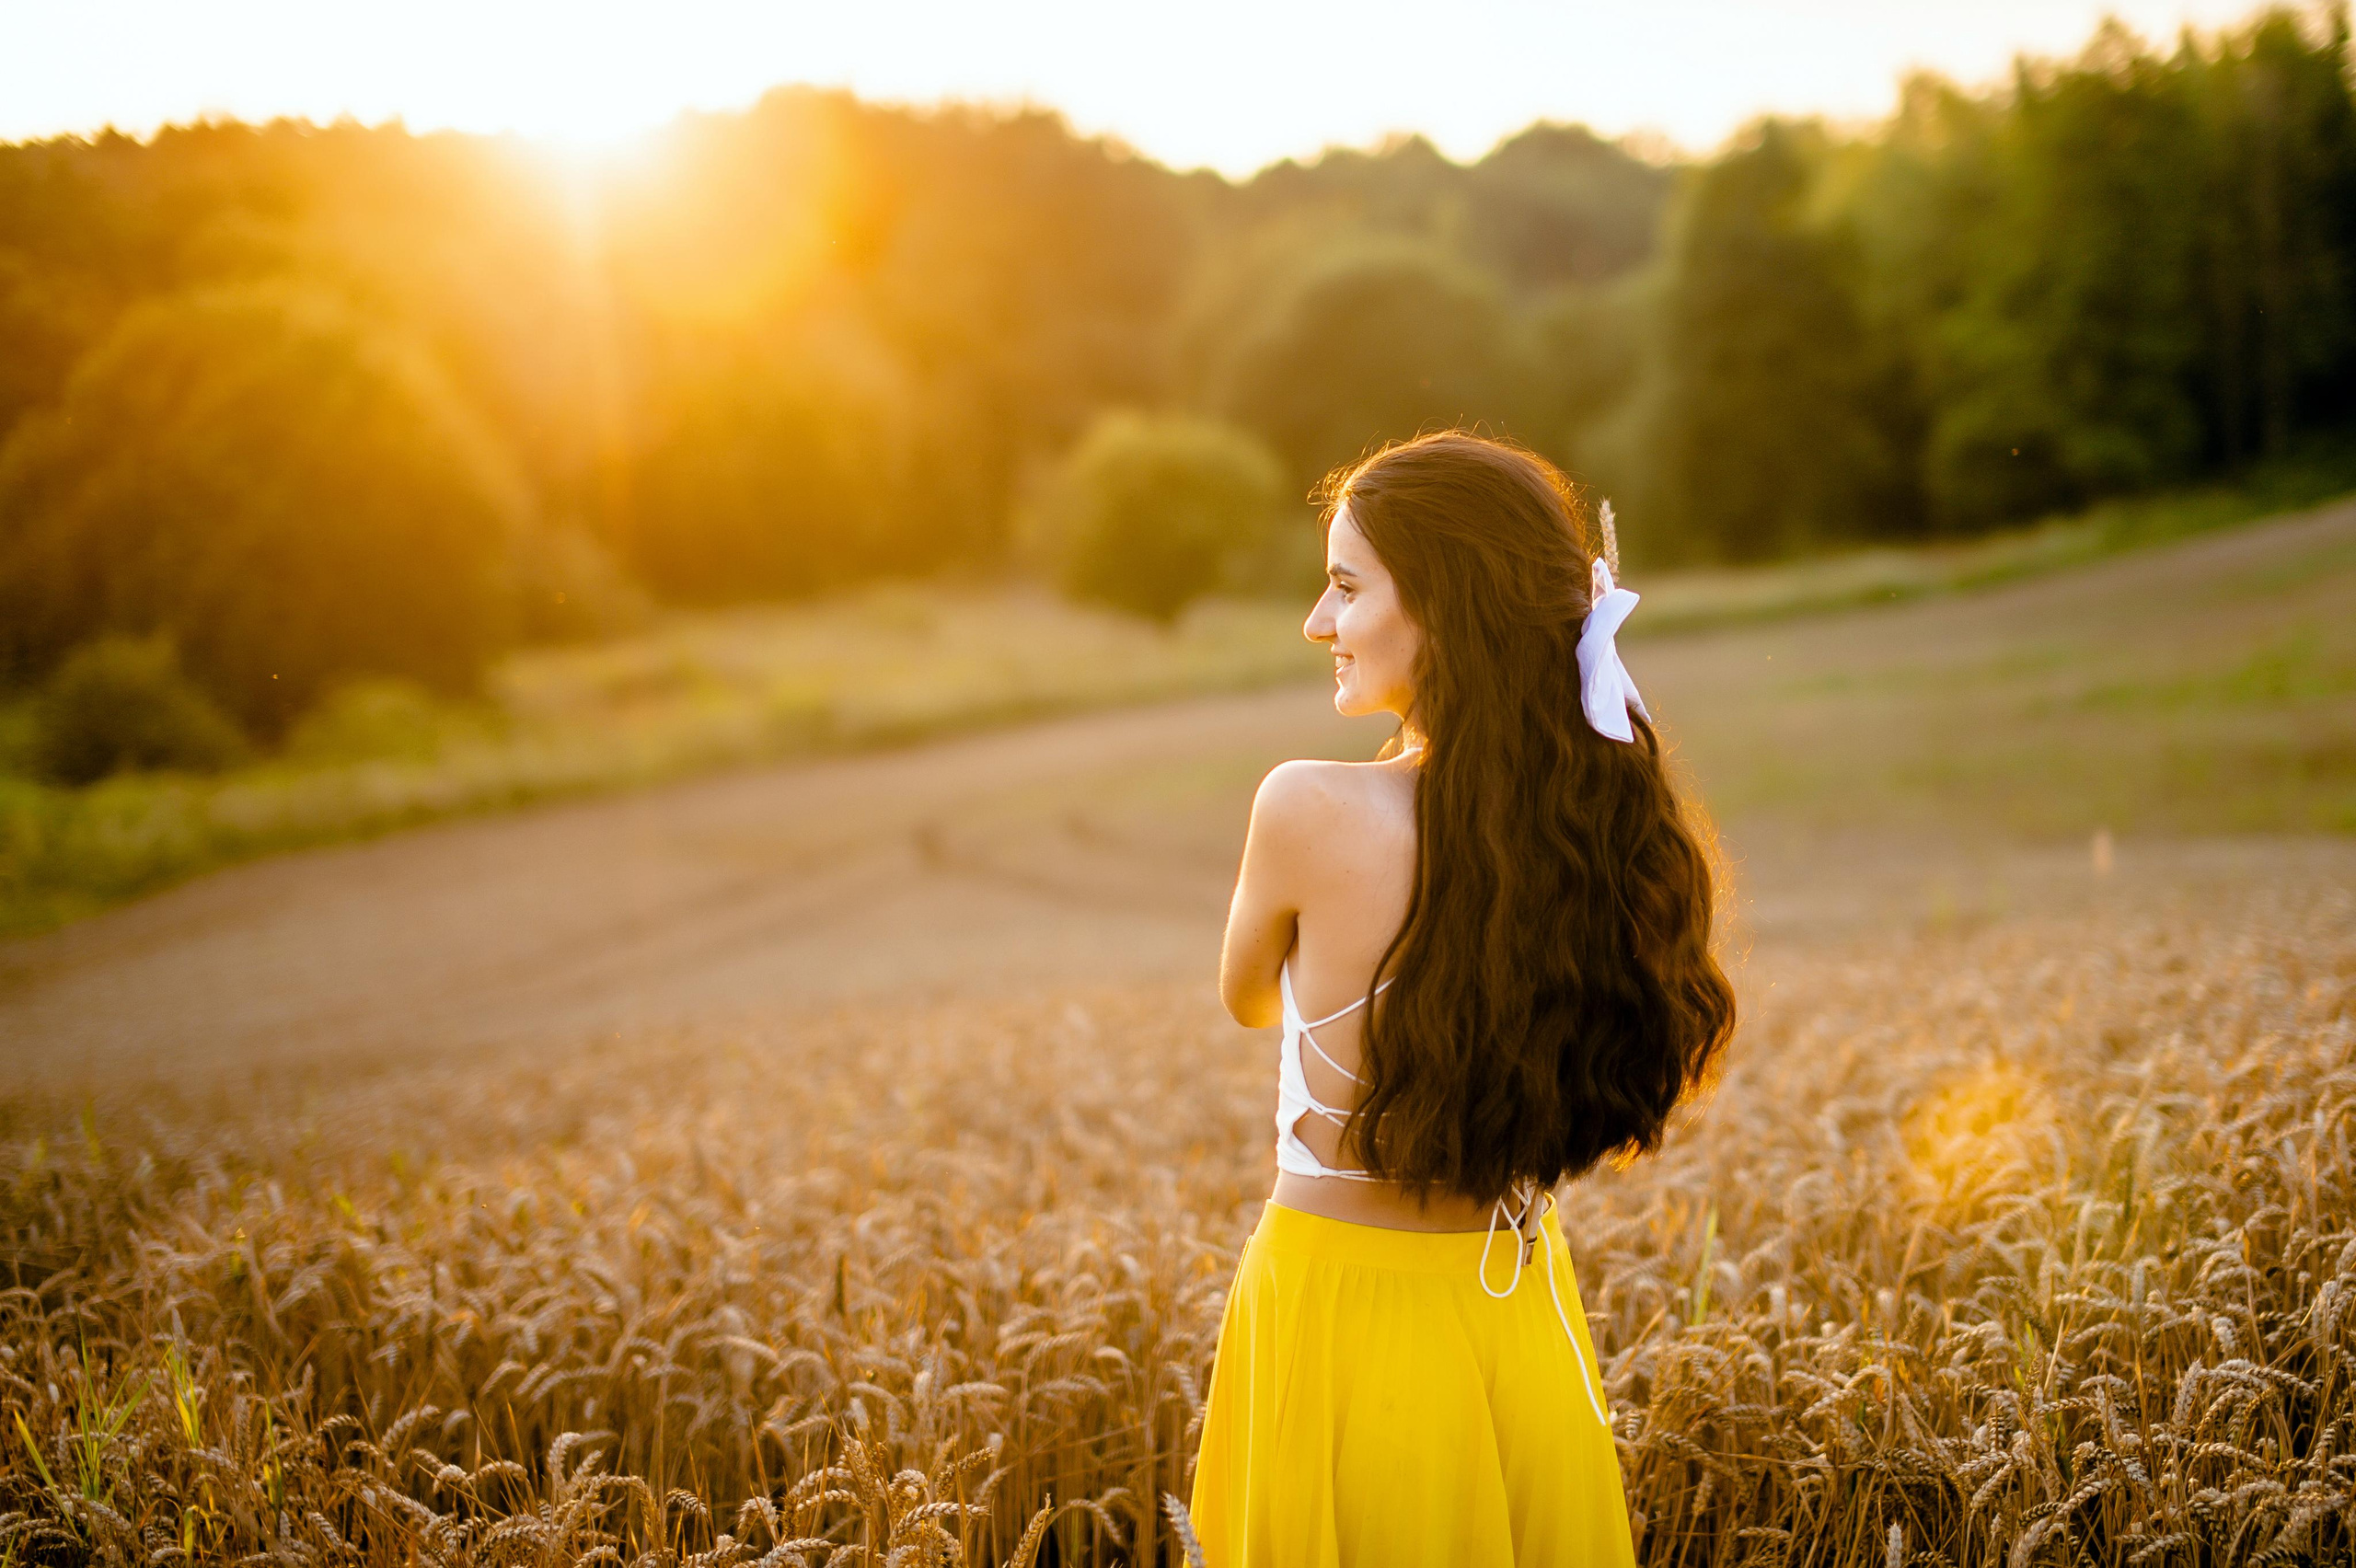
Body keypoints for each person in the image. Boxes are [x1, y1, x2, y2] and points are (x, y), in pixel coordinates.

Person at [1187, 431, 1736, 1565]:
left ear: (1442, 605)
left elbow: (1249, 998)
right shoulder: (1588, 830)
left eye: (1346, 587)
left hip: (1334, 1310)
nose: (1318, 622)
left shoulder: (1304, 807)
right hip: (1517, 1307)